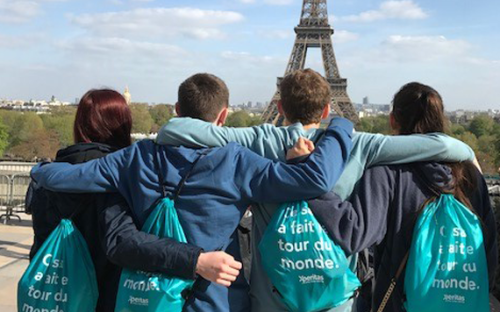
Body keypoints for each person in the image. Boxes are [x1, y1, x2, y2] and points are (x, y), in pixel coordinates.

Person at [156, 69, 476, 312]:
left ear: (279, 106)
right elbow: (443, 145)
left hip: (270, 297)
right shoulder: (360, 144)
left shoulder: (258, 140)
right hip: (334, 298)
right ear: (326, 110)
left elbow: (177, 128)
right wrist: (469, 154)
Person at [30, 73, 354, 312]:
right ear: (223, 116)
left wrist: (39, 169)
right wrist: (339, 126)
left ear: (176, 108)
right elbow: (313, 179)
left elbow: (68, 177)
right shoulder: (237, 161)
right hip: (212, 300)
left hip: (145, 298)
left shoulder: (135, 156)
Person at [26, 89, 239, 312]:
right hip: (105, 299)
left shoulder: (47, 175)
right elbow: (122, 242)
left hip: (53, 296)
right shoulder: (115, 176)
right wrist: (195, 260)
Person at [305, 82, 497, 312]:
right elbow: (488, 245)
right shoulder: (470, 173)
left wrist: (312, 186)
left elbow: (354, 234)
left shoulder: (386, 173)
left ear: (393, 119)